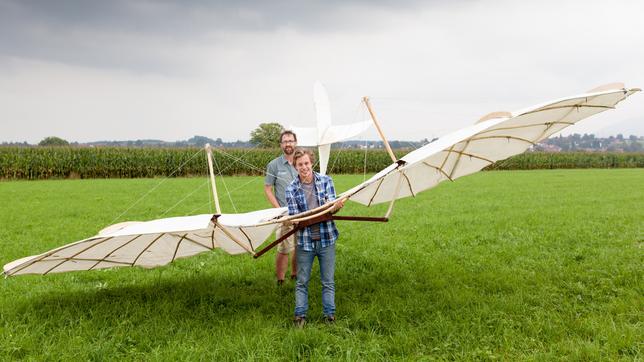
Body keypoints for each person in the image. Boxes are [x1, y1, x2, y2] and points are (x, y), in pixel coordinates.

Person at [285, 148, 345, 327]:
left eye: (306, 163)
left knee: (328, 281)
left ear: (312, 163)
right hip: (305, 242)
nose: (304, 167)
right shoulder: (291, 189)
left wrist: (335, 206)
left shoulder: (326, 181)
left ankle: (329, 316)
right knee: (302, 281)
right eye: (300, 164)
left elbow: (331, 205)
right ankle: (300, 316)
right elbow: (296, 218)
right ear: (295, 167)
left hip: (327, 239)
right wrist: (296, 220)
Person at [264, 130, 298, 286]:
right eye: (285, 141)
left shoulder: (301, 161)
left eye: (290, 141)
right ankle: (280, 280)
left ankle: (295, 275)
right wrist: (279, 211)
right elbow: (268, 189)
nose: (288, 144)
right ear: (281, 145)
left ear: (295, 143)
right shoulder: (274, 165)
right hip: (284, 214)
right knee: (284, 248)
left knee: (300, 246)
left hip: (303, 212)